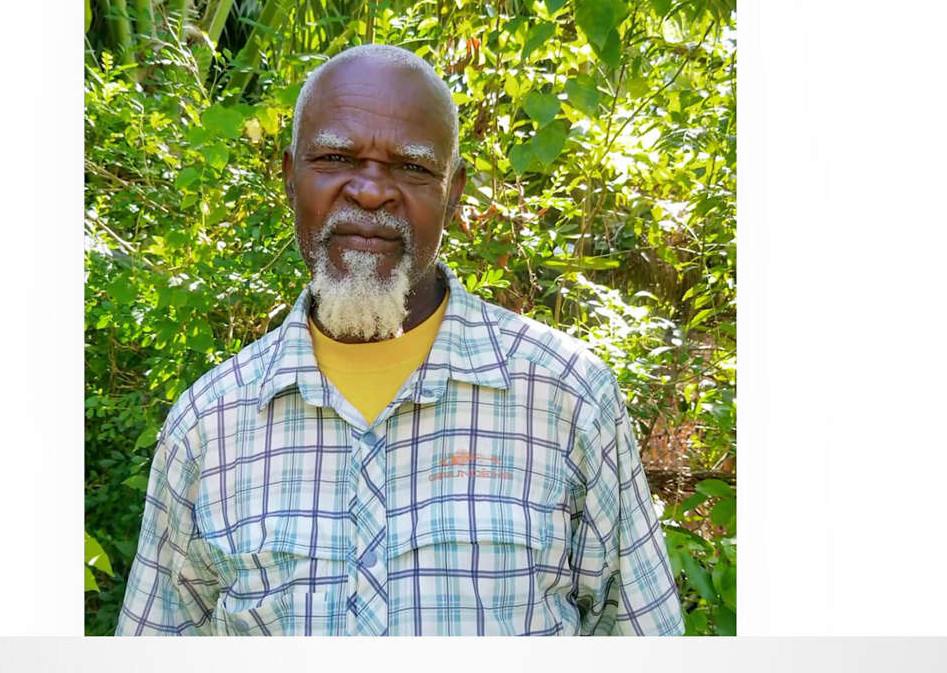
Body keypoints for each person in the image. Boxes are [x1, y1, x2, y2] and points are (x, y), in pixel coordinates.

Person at [115, 44, 684, 636]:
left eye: (411, 167)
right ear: (289, 177)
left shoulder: (569, 400)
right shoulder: (207, 427)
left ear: (453, 193)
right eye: (336, 157)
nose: (369, 192)